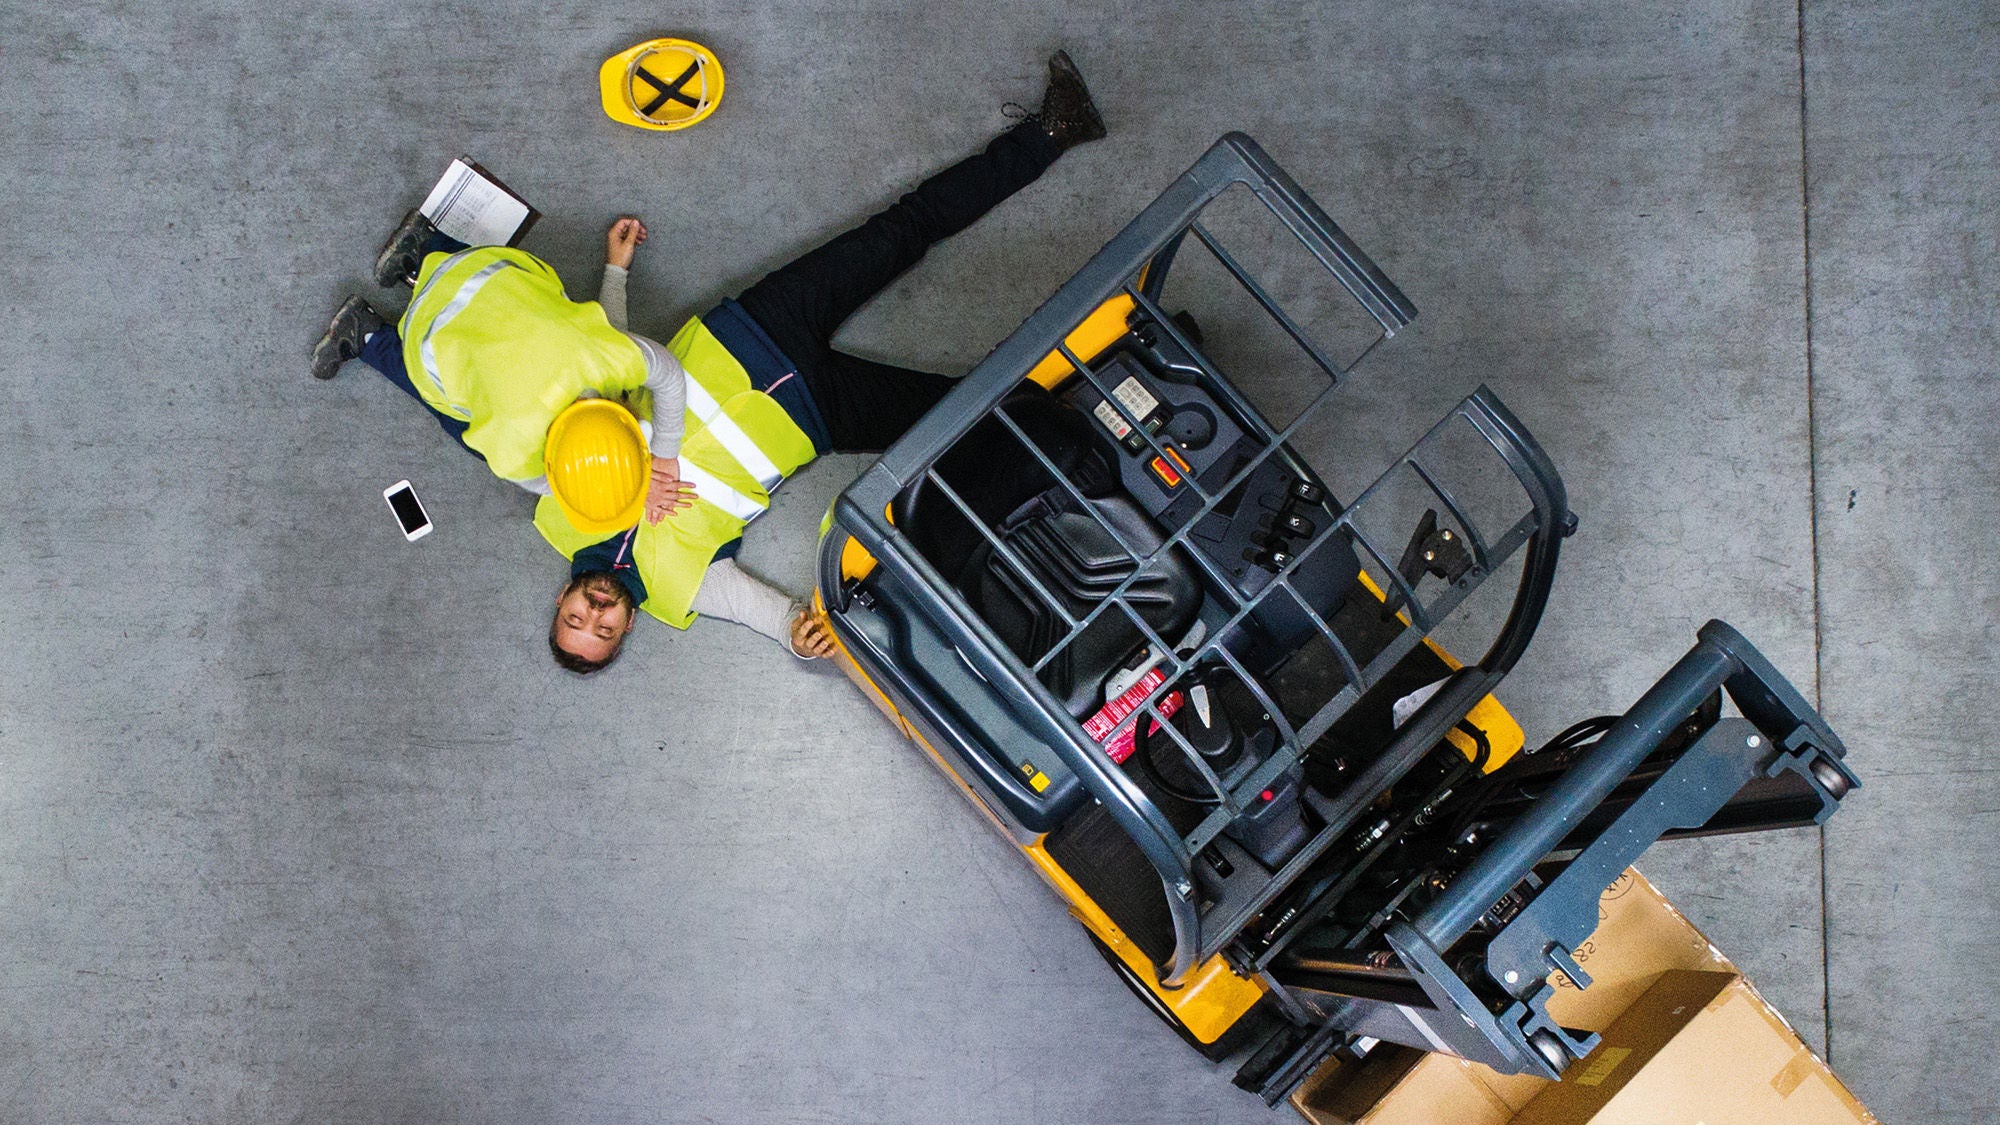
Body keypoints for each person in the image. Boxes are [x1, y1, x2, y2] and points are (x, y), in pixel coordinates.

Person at [312, 51, 1106, 673]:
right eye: (602, 630)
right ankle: (1106, 393)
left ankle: (1052, 132)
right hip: (820, 413)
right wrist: (799, 640)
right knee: (974, 409)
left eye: (573, 618)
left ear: (561, 599)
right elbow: (770, 613)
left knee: (903, 230)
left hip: (751, 329)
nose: (594, 612)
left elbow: (562, 385)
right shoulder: (682, 592)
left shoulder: (558, 509)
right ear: (625, 632)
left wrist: (613, 273)